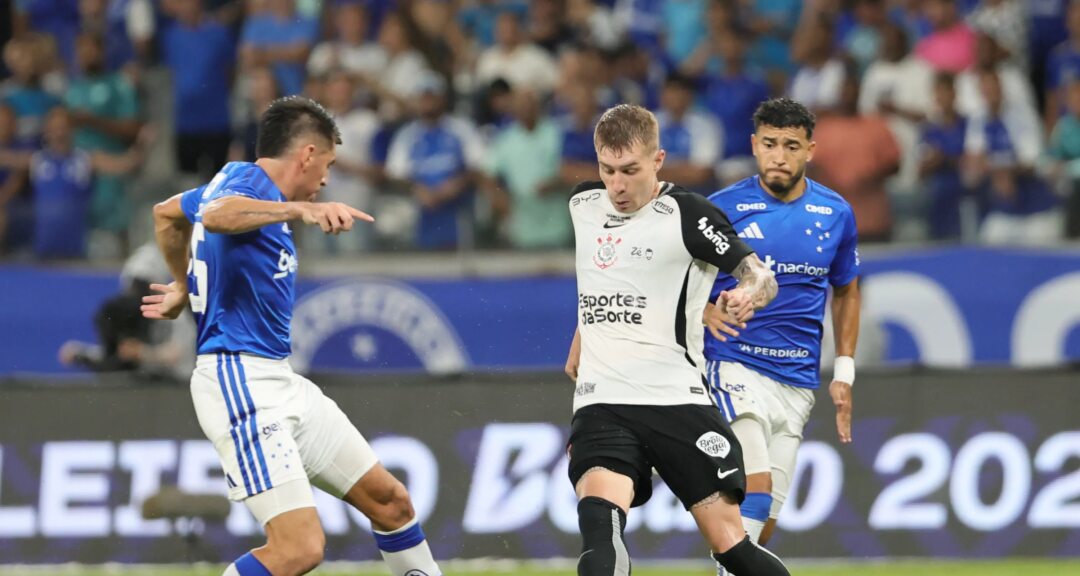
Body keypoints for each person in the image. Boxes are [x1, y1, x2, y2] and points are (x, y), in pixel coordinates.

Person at [141, 96, 441, 576]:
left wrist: (183, 283)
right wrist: (301, 210)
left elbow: (166, 214)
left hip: (281, 381)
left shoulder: (249, 194)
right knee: (298, 549)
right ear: (306, 154)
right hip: (239, 380)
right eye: (327, 163)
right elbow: (216, 215)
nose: (326, 178)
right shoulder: (245, 180)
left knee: (391, 502)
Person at [563, 104, 788, 576]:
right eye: (607, 170)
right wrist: (583, 331)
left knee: (732, 546)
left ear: (658, 159)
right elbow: (609, 278)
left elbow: (759, 276)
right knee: (599, 534)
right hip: (603, 401)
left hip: (675, 400)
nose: (617, 185)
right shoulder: (583, 205)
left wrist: (748, 293)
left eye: (630, 170)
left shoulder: (689, 214)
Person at [702, 98, 861, 574]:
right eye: (769, 144)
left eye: (791, 146)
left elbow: (847, 291)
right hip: (733, 364)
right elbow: (673, 276)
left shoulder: (835, 213)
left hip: (795, 381)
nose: (779, 155)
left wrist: (845, 372)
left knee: (763, 523)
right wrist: (706, 310)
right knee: (755, 490)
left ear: (810, 150)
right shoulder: (721, 208)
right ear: (754, 146)